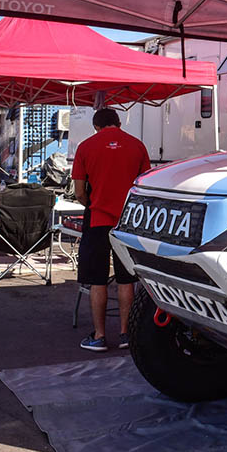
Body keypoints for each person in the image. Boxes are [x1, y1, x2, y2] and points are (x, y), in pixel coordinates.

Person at [72, 108, 151, 351]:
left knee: (98, 280)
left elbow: (79, 192)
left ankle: (99, 336)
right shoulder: (137, 145)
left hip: (97, 218)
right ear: (119, 123)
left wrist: (92, 204)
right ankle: (127, 334)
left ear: (96, 126)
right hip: (128, 221)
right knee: (127, 278)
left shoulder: (85, 147)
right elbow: (144, 186)